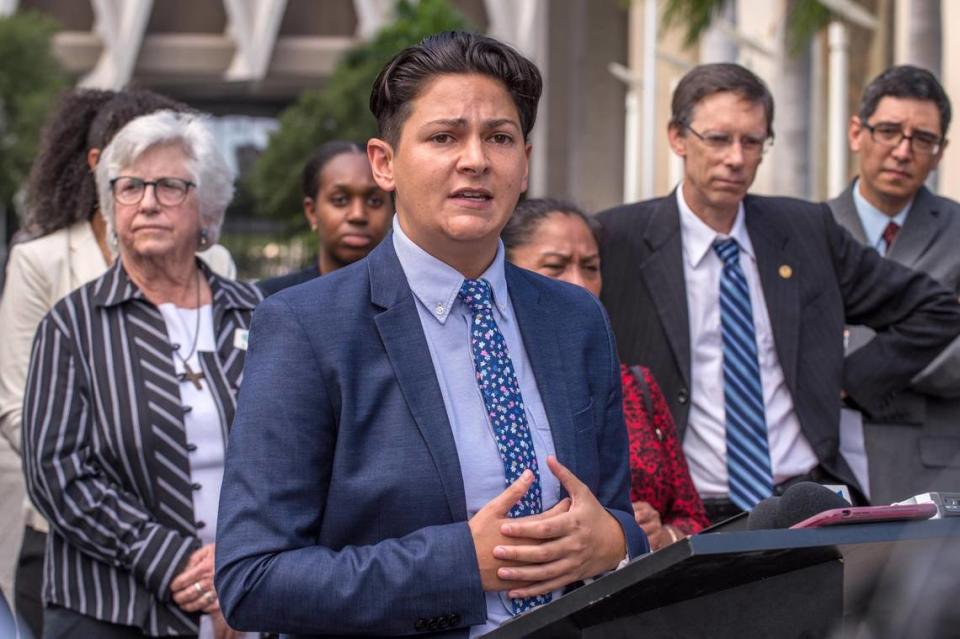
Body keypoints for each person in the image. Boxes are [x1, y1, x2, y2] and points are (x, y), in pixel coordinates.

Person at [215, 31, 646, 638]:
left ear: (523, 162)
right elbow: (253, 580)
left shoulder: (575, 318)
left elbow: (614, 517)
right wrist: (457, 565)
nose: (475, 159)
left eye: (498, 138)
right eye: (444, 137)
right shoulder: (307, 327)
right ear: (384, 163)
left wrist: (616, 542)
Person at [597, 63, 960, 524]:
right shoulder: (617, 240)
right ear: (678, 137)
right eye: (718, 139)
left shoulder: (805, 231)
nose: (736, 158)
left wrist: (849, 378)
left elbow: (935, 309)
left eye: (752, 142)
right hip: (683, 515)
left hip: (803, 502)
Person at [0, 88, 237, 638]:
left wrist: (240, 564)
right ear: (110, 203)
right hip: (107, 604)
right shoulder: (71, 323)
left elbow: (296, 454)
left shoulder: (258, 315)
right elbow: (56, 467)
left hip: (242, 599)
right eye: (130, 187)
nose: (148, 202)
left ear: (207, 205)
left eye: (170, 186)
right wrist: (174, 560)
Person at [502, 198, 709, 549]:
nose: (578, 283)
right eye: (555, 266)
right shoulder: (496, 380)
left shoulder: (635, 384)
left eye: (590, 267)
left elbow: (693, 516)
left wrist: (662, 536)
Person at [829, 65, 960, 503]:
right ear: (856, 132)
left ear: (939, 152)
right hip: (825, 462)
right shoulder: (810, 229)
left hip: (934, 464)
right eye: (888, 131)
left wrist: (860, 364)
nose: (903, 151)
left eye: (922, 139)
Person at [257, 140, 391, 295]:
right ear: (312, 211)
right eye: (340, 200)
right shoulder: (267, 299)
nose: (358, 215)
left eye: (374, 201)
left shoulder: (415, 299)